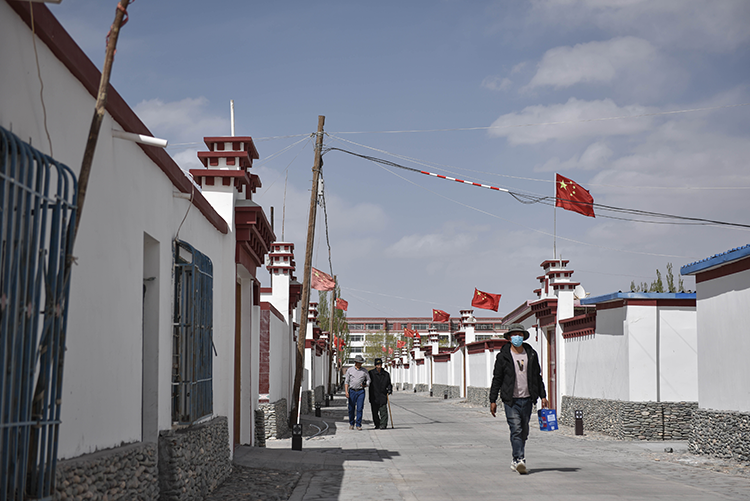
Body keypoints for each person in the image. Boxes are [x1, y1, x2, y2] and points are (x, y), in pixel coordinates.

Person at [489, 323, 549, 475]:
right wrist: (493, 400)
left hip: (528, 399)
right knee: (516, 429)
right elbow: (497, 378)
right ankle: (519, 459)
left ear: (523, 337)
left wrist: (543, 396)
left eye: (520, 335)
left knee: (524, 431)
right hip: (511, 400)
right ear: (509, 338)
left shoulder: (531, 354)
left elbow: (537, 376)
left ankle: (516, 458)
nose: (517, 337)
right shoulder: (503, 356)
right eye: (514, 335)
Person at [344, 355, 371, 430]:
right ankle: (351, 423)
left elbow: (369, 380)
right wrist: (346, 392)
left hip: (361, 391)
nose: (360, 364)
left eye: (361, 363)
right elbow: (346, 382)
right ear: (355, 362)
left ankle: (358, 424)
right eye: (359, 362)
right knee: (351, 408)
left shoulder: (364, 371)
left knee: (360, 408)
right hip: (352, 391)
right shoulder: (350, 370)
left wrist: (365, 384)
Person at [368, 358, 393, 429]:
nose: (379, 366)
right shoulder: (371, 373)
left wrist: (389, 389)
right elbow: (366, 381)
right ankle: (377, 424)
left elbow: (389, 384)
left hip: (383, 395)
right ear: (375, 365)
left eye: (380, 364)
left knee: (383, 411)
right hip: (374, 395)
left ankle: (383, 424)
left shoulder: (386, 374)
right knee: (374, 412)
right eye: (378, 365)